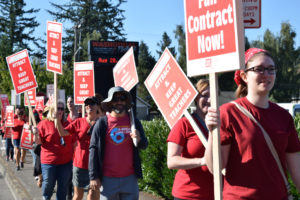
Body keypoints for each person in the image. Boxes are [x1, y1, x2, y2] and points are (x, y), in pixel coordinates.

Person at [204, 48, 300, 199]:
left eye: (271, 69)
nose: (266, 74)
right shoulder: (228, 113)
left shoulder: (284, 116)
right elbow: (215, 167)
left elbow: (296, 169)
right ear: (244, 76)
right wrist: (211, 133)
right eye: (259, 69)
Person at [89, 86, 148, 200]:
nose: (119, 102)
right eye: (115, 99)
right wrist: (93, 176)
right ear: (110, 102)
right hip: (107, 180)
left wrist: (139, 139)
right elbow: (93, 149)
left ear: (126, 101)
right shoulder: (102, 123)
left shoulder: (134, 122)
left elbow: (144, 145)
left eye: (122, 98)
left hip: (130, 179)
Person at [167, 79, 214, 200]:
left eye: (213, 95)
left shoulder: (222, 125)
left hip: (216, 194)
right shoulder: (184, 124)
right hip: (188, 195)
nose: (209, 100)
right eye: (204, 95)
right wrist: (203, 161)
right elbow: (171, 161)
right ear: (196, 98)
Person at [57, 96, 103, 200]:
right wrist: (57, 120)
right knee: (78, 196)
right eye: (87, 104)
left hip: (96, 165)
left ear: (97, 107)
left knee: (93, 196)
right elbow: (62, 132)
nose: (89, 106)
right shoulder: (79, 122)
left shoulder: (102, 122)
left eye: (92, 104)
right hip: (80, 164)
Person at [34, 101, 73, 200]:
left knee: (63, 186)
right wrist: (35, 134)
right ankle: (46, 197)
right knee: (48, 184)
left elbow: (73, 141)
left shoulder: (68, 124)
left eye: (61, 109)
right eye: (57, 108)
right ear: (52, 110)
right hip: (49, 162)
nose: (59, 111)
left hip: (65, 162)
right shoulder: (44, 124)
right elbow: (38, 142)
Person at [12, 105, 27, 170]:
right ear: (17, 115)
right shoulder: (14, 120)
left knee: (23, 151)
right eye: (19, 114)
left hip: (23, 137)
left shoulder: (24, 120)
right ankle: (17, 165)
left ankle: (21, 160)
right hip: (16, 137)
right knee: (17, 151)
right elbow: (10, 126)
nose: (20, 116)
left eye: (21, 114)